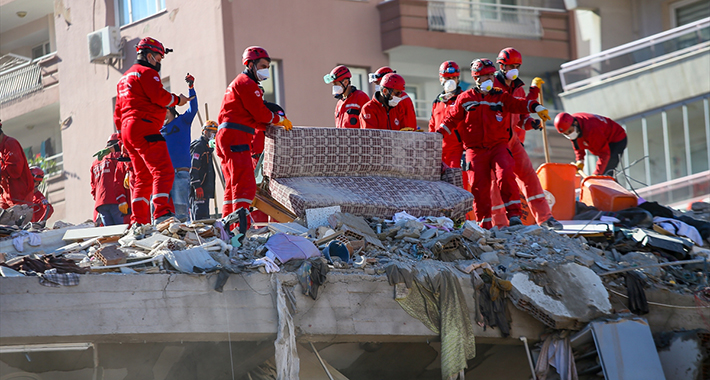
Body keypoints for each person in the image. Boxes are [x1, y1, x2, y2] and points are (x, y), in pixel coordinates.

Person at [436, 58, 550, 229]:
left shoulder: (500, 96)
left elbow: (517, 104)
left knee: (505, 175)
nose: (489, 79)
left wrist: (535, 107)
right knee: (479, 188)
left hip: (499, 146)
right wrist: (435, 137)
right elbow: (450, 121)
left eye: (491, 75)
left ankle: (514, 217)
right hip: (475, 151)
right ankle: (485, 225)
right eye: (485, 76)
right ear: (476, 78)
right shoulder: (465, 98)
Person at [114, 37, 188, 233]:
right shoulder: (147, 73)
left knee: (142, 178)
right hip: (145, 127)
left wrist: (122, 140)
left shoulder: (123, 79)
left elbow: (118, 113)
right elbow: (159, 96)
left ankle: (139, 221)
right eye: (158, 58)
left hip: (127, 131)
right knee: (163, 171)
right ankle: (162, 213)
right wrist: (177, 100)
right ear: (148, 56)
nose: (159, 62)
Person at [217, 46, 292, 237]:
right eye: (263, 66)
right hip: (236, 137)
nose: (266, 69)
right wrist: (279, 119)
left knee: (232, 186)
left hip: (228, 136)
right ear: (250, 64)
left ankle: (228, 227)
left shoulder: (241, 83)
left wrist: (271, 119)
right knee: (245, 185)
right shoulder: (247, 84)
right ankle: (242, 228)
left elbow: (255, 118)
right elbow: (261, 114)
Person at [489, 47, 562, 230]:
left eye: (517, 66)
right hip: (494, 143)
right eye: (510, 65)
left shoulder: (519, 89)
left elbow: (521, 119)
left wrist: (532, 124)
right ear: (501, 66)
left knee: (529, 176)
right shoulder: (491, 87)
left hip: (512, 141)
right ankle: (499, 223)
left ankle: (545, 218)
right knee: (497, 184)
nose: (514, 69)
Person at [161, 73, 198, 221]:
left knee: (181, 210)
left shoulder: (183, 121)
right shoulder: (159, 130)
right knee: (162, 211)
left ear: (169, 110)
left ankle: (186, 238)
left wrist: (191, 88)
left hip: (180, 173)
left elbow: (193, 108)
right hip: (164, 175)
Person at [554, 112, 628, 176]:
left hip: (616, 140)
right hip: (603, 141)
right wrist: (580, 160)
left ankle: (614, 190)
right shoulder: (573, 125)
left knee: (606, 173)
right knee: (604, 174)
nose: (570, 135)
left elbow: (604, 153)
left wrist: (597, 174)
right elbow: (577, 143)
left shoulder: (592, 129)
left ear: (575, 123)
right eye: (566, 134)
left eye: (570, 131)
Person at [429, 61, 465, 170]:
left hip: (457, 152)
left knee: (457, 184)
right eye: (447, 78)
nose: (450, 82)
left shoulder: (464, 99)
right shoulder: (437, 102)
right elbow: (432, 126)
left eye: (453, 78)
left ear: (458, 79)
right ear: (441, 79)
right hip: (438, 153)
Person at [91, 133, 130, 226]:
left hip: (100, 204)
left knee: (111, 235)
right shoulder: (119, 155)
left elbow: (93, 188)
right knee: (122, 232)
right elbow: (125, 179)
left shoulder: (96, 162)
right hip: (117, 200)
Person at [0, 120, 34, 209]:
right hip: (6, 197)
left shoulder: (10, 144)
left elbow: (15, 171)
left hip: (20, 198)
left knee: (20, 221)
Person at [190, 121, 217, 220]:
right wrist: (197, 185)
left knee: (205, 218)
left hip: (205, 189)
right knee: (199, 219)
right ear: (204, 132)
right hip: (199, 189)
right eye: (211, 132)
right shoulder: (199, 147)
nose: (213, 135)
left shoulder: (207, 148)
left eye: (215, 133)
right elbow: (193, 167)